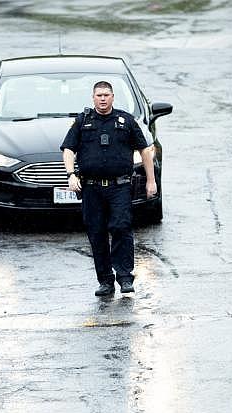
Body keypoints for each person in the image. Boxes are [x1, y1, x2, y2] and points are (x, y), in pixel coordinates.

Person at [61, 80, 157, 297]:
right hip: (92, 188)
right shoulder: (82, 121)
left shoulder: (126, 121)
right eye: (98, 95)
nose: (102, 99)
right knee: (97, 233)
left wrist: (151, 181)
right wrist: (70, 175)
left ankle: (124, 277)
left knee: (121, 228)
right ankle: (105, 281)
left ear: (113, 97)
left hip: (119, 186)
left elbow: (145, 151)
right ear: (93, 98)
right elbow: (68, 149)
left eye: (106, 95)